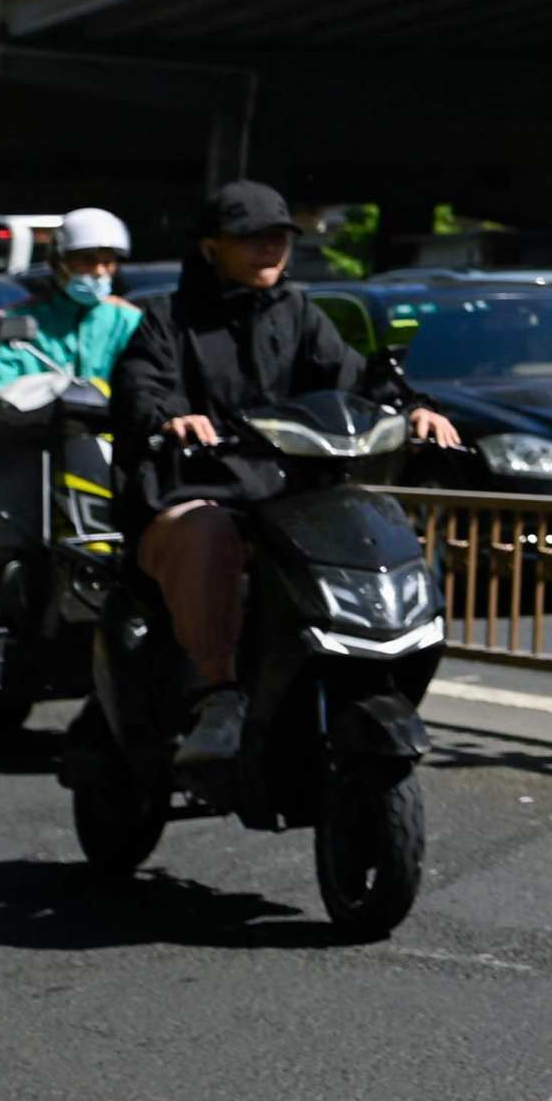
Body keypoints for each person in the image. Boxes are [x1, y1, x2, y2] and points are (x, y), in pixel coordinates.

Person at [112, 181, 455, 769]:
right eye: (251, 239)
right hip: (197, 493)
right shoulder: (165, 319)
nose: (269, 250)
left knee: (378, 518)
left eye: (278, 238)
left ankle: (376, 670)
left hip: (289, 499)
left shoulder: (298, 312)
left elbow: (356, 375)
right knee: (209, 533)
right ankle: (220, 696)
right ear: (211, 246)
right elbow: (142, 388)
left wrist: (411, 407)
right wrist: (171, 419)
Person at [0, 207, 143, 389]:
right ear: (58, 262)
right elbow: (0, 384)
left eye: (107, 262)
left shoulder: (128, 320)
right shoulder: (20, 320)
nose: (99, 272)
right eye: (88, 261)